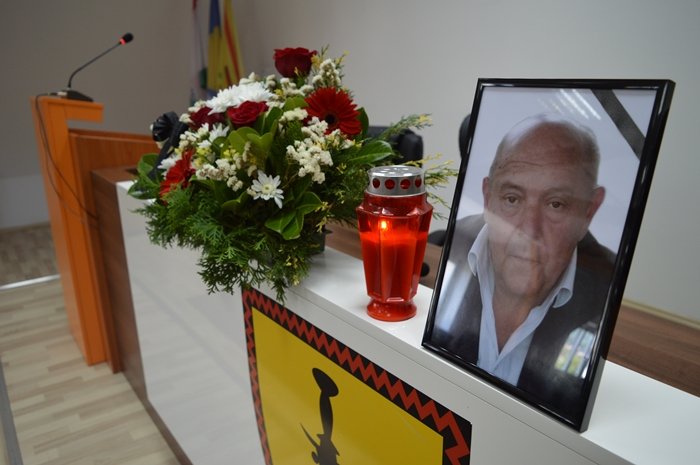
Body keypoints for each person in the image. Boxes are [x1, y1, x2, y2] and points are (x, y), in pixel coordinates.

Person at [430, 114, 616, 421]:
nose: (529, 230)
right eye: (512, 199)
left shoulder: (607, 292)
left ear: (589, 211)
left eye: (556, 204)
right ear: (488, 199)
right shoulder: (452, 243)